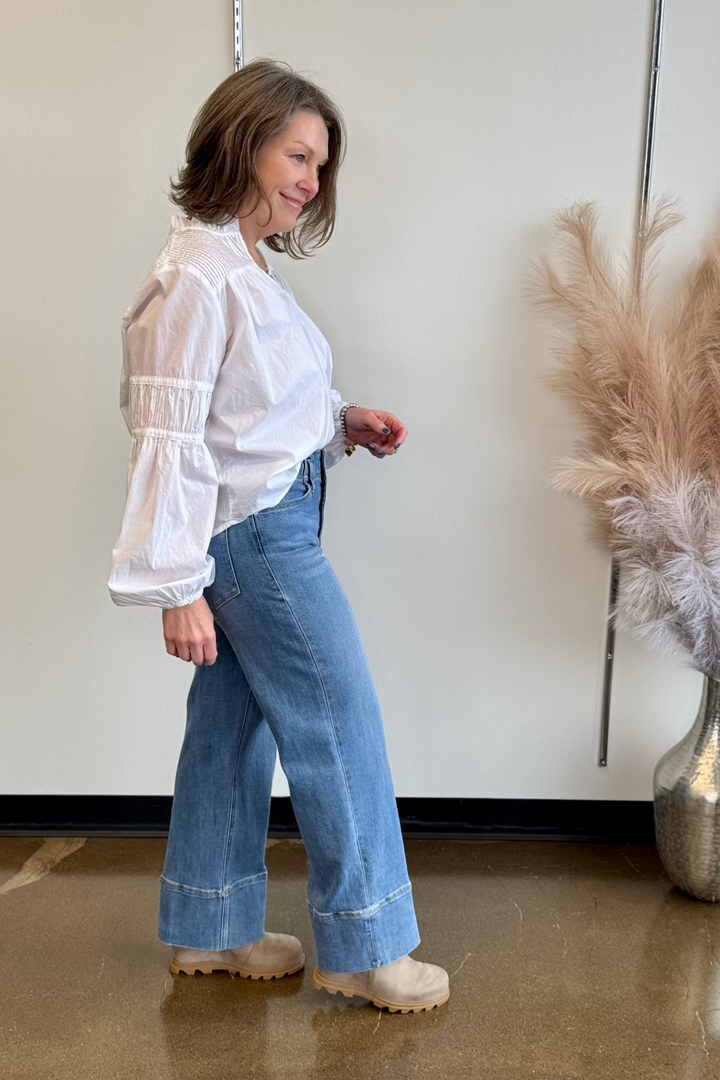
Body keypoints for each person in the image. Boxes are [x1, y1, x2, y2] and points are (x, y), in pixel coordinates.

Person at [107, 57, 449, 1014]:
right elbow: (167, 434)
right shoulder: (193, 276)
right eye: (297, 155)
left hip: (268, 515)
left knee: (230, 727)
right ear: (243, 142)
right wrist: (175, 585)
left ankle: (210, 926)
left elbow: (248, 407)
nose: (310, 179)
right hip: (257, 538)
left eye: (319, 164)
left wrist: (341, 420)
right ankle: (367, 946)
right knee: (340, 723)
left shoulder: (239, 265)